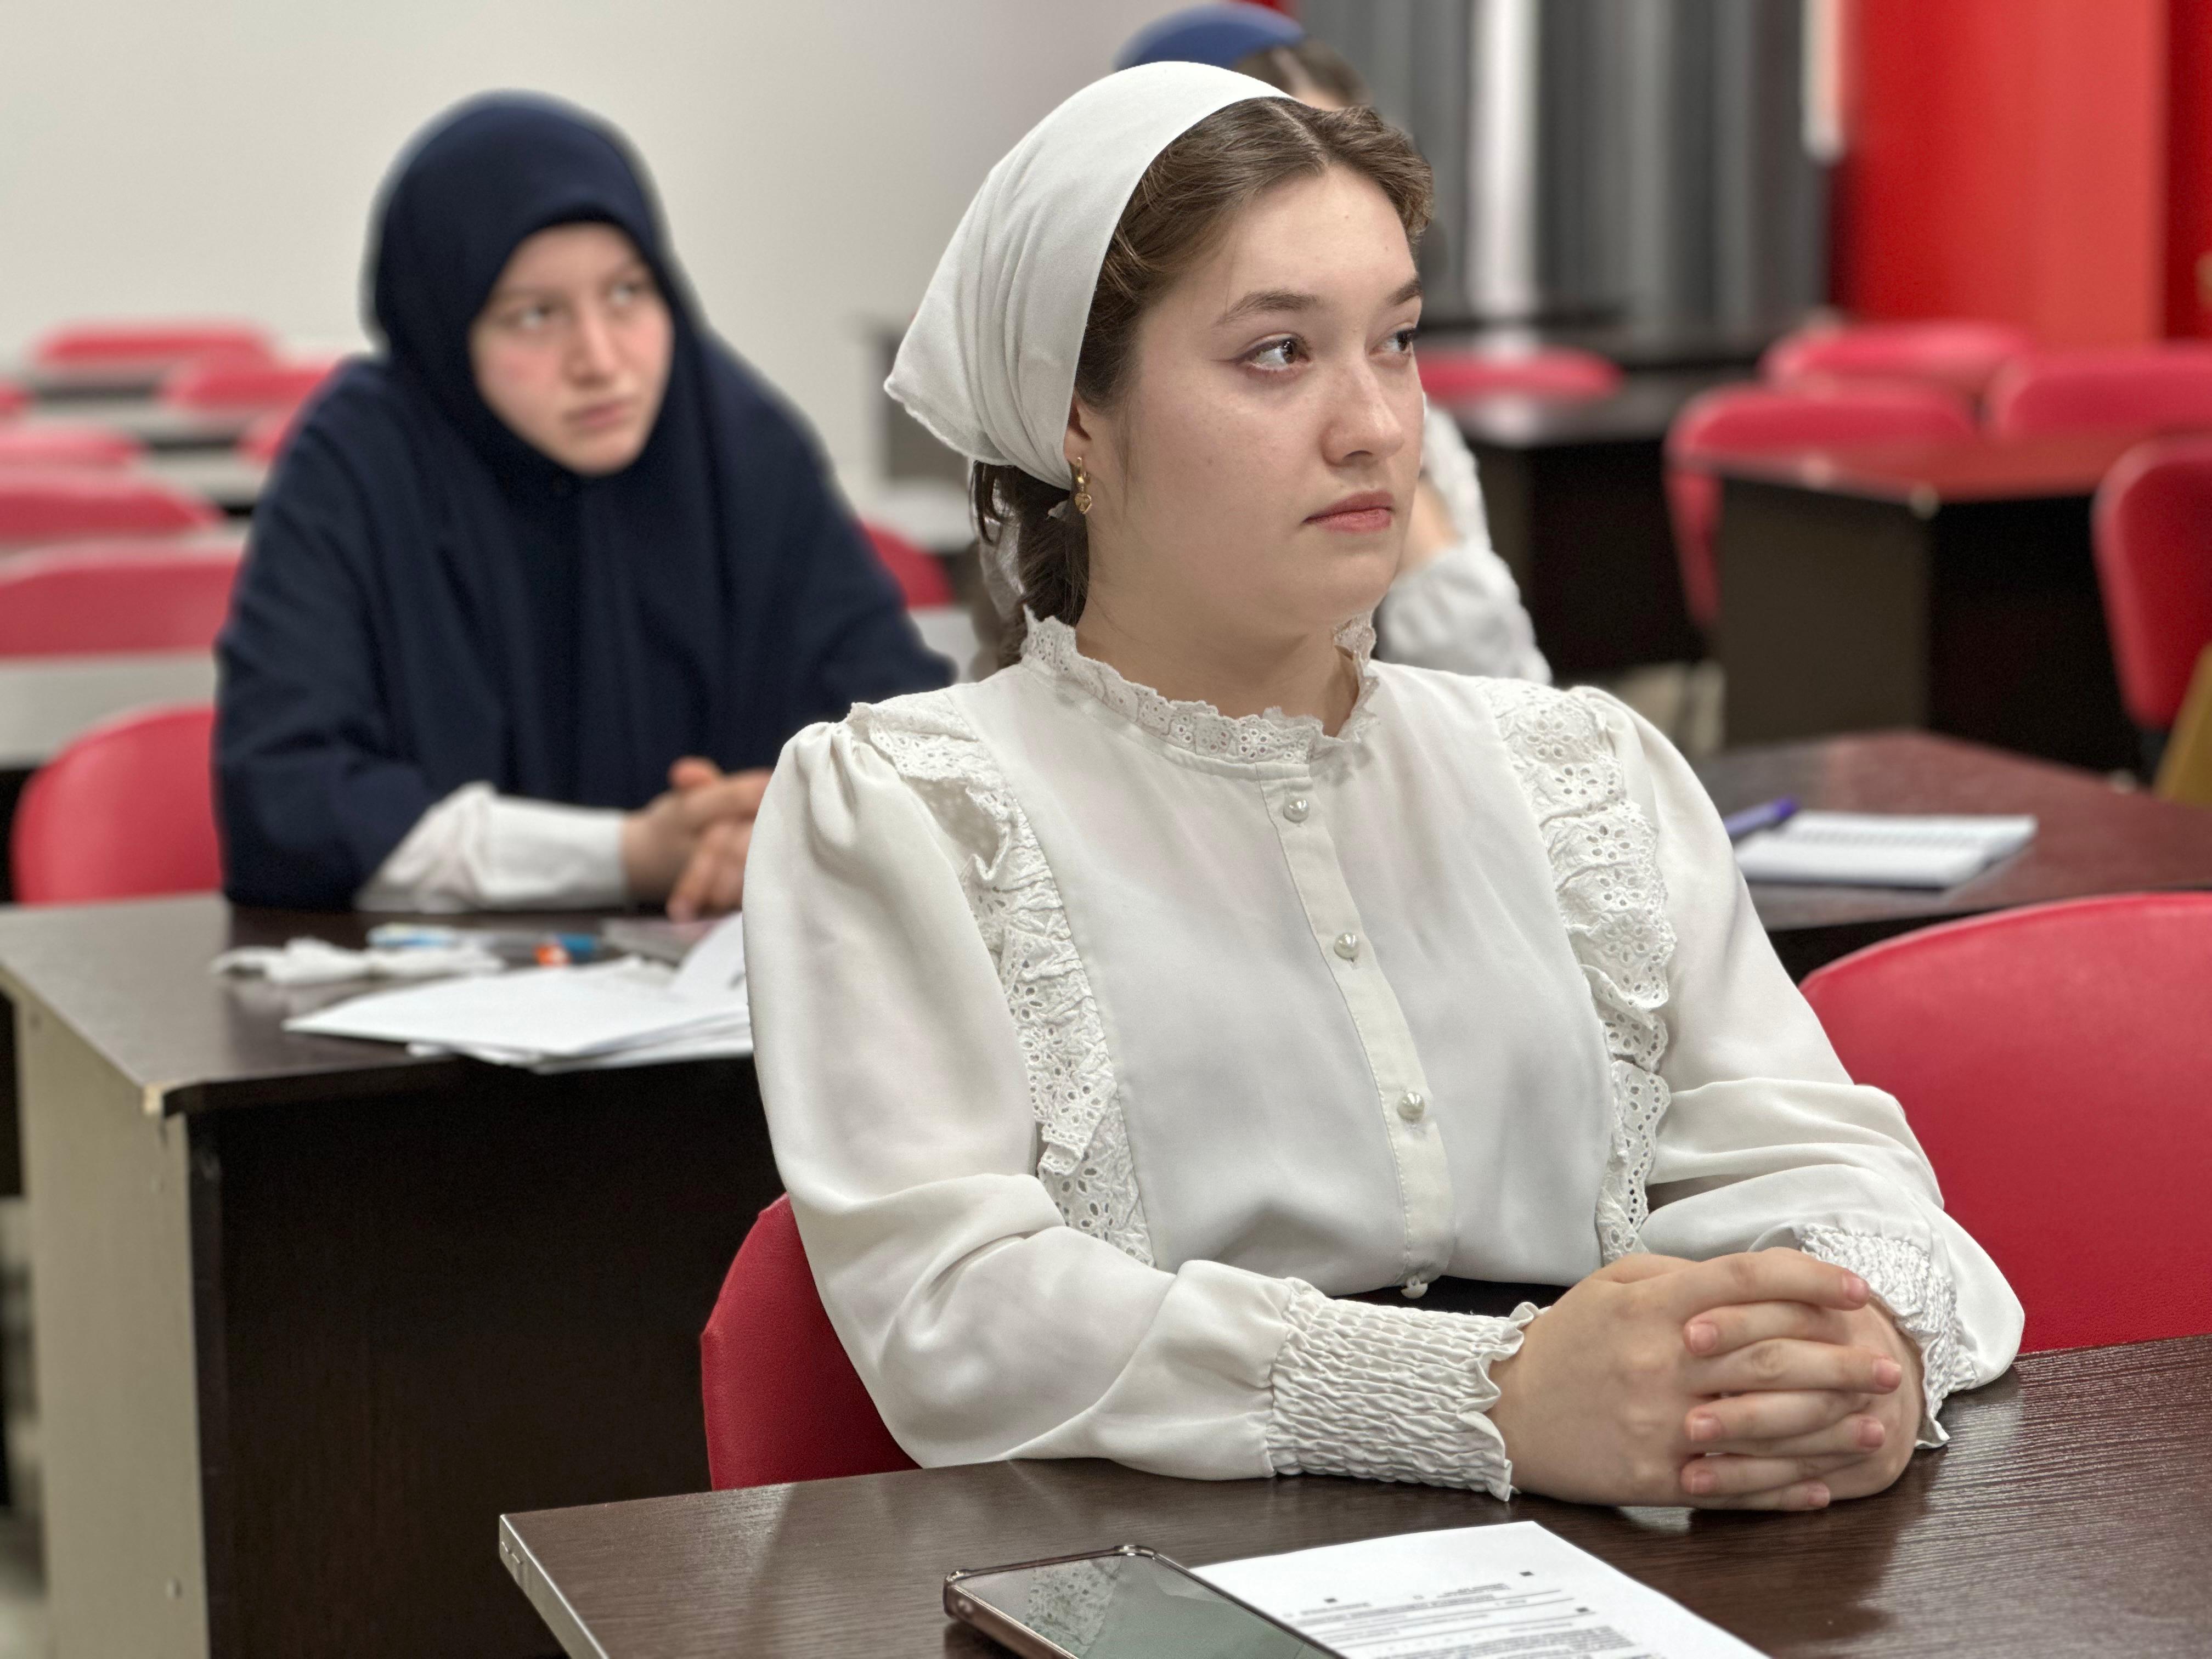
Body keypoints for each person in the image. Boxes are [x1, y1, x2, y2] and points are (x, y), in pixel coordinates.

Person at [745, 65, 2020, 1511]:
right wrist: (1489, 1399)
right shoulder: (909, 810)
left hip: (1611, 1546)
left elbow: (1828, 1163)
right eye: (1277, 354)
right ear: (1077, 418)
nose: (1375, 426)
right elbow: (960, 1316)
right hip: (1155, 1568)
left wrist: (1850, 1352)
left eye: (1397, 341)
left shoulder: (1577, 771)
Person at [216, 95, 948, 916]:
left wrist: (783, 833)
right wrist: (630, 857)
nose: (600, 360)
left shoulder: (735, 440)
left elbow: (914, 740)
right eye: (535, 315)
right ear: (445, 323)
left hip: (734, 975)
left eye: (628, 293)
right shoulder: (357, 463)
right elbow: (290, 803)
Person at [1118, 3, 1550, 683]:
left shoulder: (1409, 432)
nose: (1332, 195)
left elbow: (1505, 693)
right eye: (1281, 351)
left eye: (1397, 339)